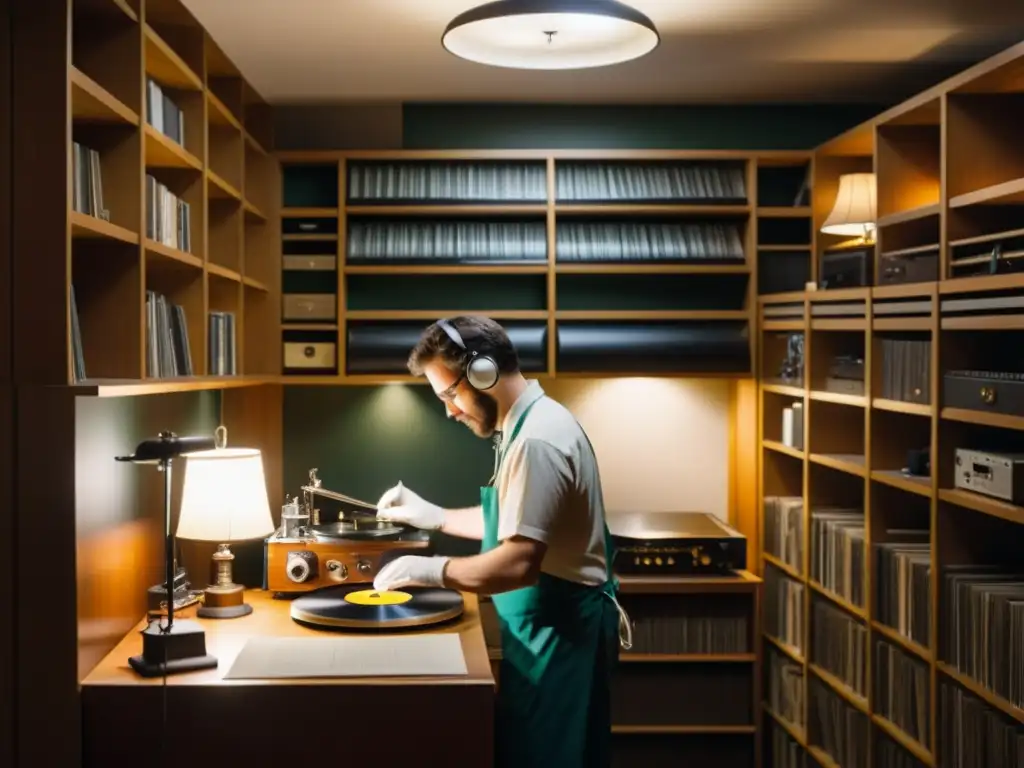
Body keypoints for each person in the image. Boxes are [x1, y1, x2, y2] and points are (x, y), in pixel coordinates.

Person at [372, 315, 631, 768]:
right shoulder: (526, 422)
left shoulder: (537, 441)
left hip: (559, 641)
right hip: (542, 638)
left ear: (483, 372)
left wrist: (429, 570)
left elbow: (517, 563)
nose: (449, 411)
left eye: (450, 394)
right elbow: (520, 523)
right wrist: (435, 517)